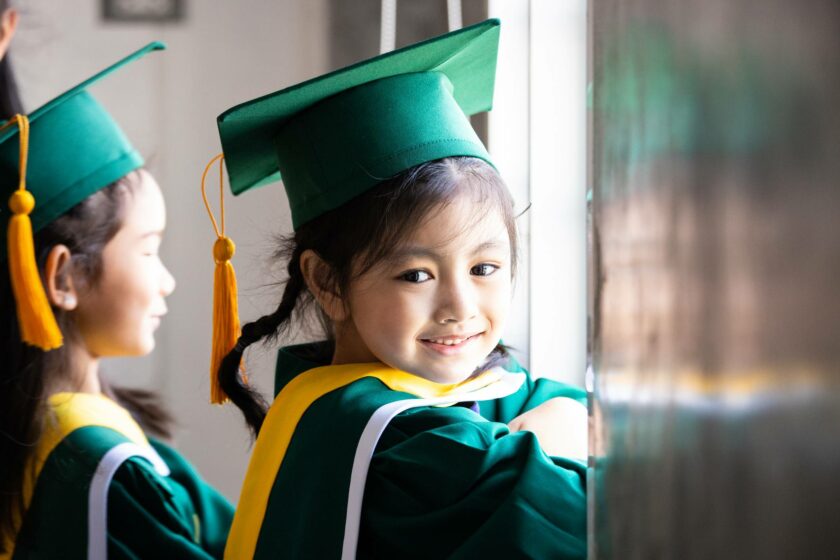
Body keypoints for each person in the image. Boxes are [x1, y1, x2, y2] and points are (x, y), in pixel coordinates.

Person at [210, 19, 587, 559]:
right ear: (326, 281)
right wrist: (566, 433)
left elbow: (556, 403)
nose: (460, 308)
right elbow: (582, 516)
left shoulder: (342, 393)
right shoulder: (396, 441)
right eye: (416, 275)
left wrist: (563, 418)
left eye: (485, 268)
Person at [0, 43, 233, 558]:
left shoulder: (54, 429)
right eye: (149, 250)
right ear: (64, 278)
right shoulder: (95, 460)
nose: (168, 281)